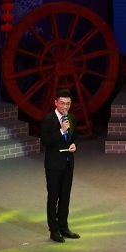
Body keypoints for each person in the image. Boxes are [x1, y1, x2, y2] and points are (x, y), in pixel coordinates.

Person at [40, 88, 80, 243]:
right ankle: (54, 230)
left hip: (68, 163)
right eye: (62, 103)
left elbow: (75, 137)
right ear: (55, 103)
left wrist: (74, 145)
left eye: (68, 103)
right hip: (54, 165)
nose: (65, 106)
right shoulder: (48, 119)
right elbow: (45, 142)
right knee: (53, 198)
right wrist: (61, 130)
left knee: (65, 197)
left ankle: (64, 227)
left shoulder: (72, 118)